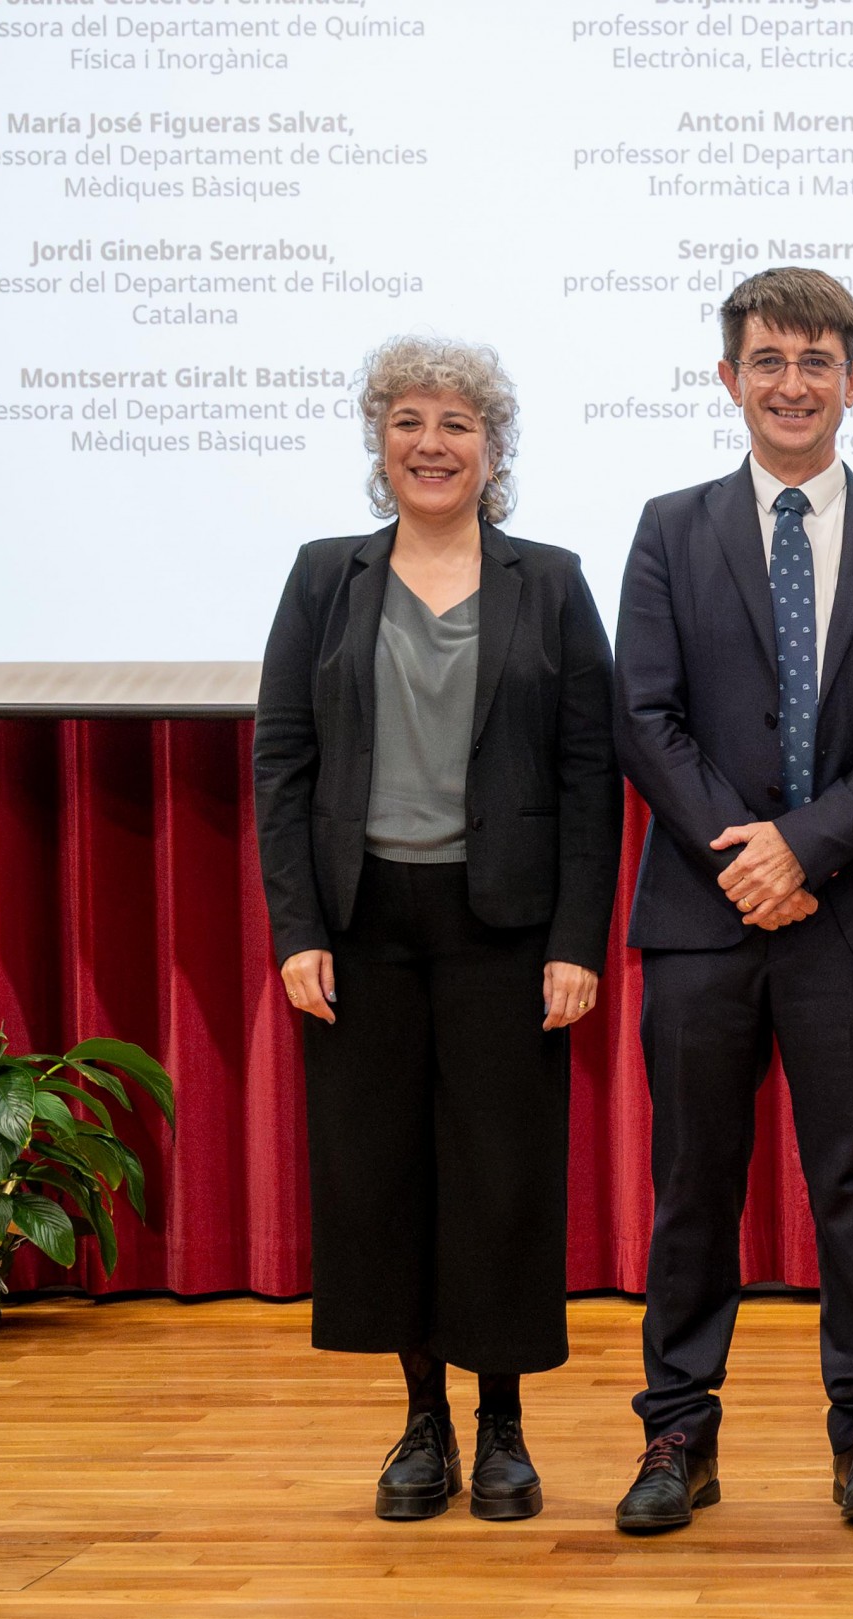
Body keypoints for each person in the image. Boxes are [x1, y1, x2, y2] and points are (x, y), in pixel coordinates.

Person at [611, 268, 853, 1533]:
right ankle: (676, 1433)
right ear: (729, 379)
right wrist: (743, 858)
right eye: (768, 360)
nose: (792, 384)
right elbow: (643, 715)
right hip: (702, 915)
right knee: (693, 1182)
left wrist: (803, 852)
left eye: (817, 361)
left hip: (852, 921)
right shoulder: (669, 529)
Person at [254, 335, 621, 1523]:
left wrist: (576, 940)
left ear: (493, 449)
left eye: (457, 424)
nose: (431, 443)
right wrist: (296, 928)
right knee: (382, 1179)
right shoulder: (326, 577)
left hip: (504, 925)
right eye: (408, 420)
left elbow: (589, 776)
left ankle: (502, 1424)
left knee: (500, 1181)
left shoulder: (549, 581)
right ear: (380, 441)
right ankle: (423, 1423)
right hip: (361, 926)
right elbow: (282, 760)